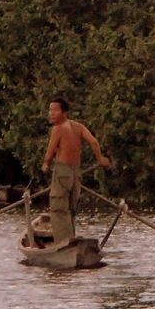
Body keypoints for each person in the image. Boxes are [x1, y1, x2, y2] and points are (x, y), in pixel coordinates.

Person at [41, 98, 111, 245]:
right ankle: (71, 239)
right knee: (71, 208)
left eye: (55, 110)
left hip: (62, 172)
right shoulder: (78, 127)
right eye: (50, 110)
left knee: (59, 209)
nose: (51, 113)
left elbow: (50, 152)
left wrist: (46, 165)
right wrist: (100, 159)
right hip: (75, 173)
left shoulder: (58, 129)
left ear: (64, 112)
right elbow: (94, 142)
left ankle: (64, 243)